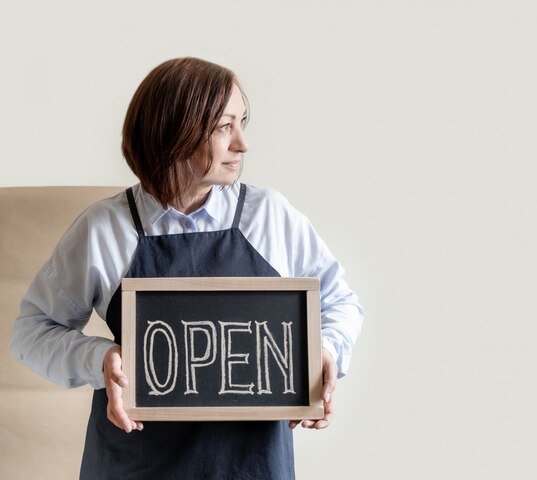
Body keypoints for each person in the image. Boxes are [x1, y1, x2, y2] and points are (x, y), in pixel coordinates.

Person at [10, 57, 363, 479]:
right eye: (223, 127)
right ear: (174, 132)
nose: (242, 144)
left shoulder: (269, 217)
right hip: (133, 465)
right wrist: (99, 357)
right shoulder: (104, 230)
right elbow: (30, 332)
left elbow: (341, 302)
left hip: (252, 467)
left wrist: (322, 352)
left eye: (242, 123)